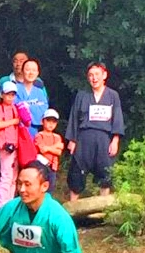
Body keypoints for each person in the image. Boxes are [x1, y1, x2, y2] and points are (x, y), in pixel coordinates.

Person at [63, 62, 125, 202]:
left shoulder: (113, 95)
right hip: (84, 137)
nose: (94, 78)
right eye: (91, 75)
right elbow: (74, 117)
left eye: (97, 74)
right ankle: (73, 209)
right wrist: (72, 140)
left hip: (104, 138)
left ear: (104, 75)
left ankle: (104, 210)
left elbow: (117, 118)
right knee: (77, 171)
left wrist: (115, 140)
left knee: (105, 172)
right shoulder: (82, 95)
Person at [0, 82, 26, 207]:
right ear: (2, 94)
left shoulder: (15, 108)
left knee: (13, 177)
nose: (10, 97)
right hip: (5, 146)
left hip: (15, 145)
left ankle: (9, 204)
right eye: (8, 94)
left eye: (12, 95)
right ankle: (2, 206)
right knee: (6, 176)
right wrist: (13, 121)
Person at [13, 59, 49, 137]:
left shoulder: (39, 92)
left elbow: (43, 110)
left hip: (34, 133)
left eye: (34, 70)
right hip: (16, 131)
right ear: (22, 72)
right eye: (28, 70)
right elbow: (14, 109)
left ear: (37, 73)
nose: (31, 73)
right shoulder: (15, 89)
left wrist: (25, 106)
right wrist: (34, 106)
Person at [34, 109, 65, 185]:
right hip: (41, 166)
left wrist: (48, 148)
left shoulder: (57, 137)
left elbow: (59, 152)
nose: (51, 124)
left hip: (53, 166)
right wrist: (55, 146)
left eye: (54, 122)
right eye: (48, 121)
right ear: (42, 121)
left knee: (51, 186)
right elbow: (43, 150)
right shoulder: (39, 135)